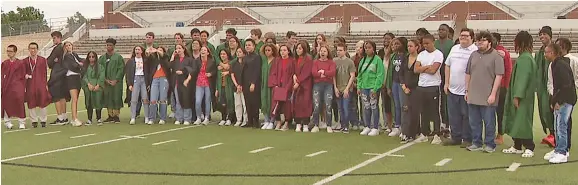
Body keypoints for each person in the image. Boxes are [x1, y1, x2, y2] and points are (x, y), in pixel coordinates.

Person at [465, 31, 504, 153]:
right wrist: (467, 90)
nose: (480, 42)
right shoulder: (473, 55)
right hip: (473, 94)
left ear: (489, 42)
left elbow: (499, 76)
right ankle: (476, 142)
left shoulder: (496, 56)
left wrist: (493, 94)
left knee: (489, 122)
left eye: (483, 40)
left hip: (488, 96)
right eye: (478, 40)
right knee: (474, 122)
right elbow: (468, 73)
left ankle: (490, 144)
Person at [502, 31, 536, 158]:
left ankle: (529, 146)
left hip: (523, 96)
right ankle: (517, 145)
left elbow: (523, 79)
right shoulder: (524, 57)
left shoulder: (525, 59)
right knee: (517, 120)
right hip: (521, 95)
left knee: (523, 121)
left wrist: (517, 96)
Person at [442, 28, 477, 147]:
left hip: (467, 90)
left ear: (472, 38)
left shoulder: (475, 51)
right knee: (453, 115)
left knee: (467, 115)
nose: (463, 38)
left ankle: (467, 139)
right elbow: (447, 66)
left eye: (466, 36)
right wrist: (446, 83)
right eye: (461, 35)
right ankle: (455, 137)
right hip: (452, 89)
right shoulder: (454, 48)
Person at [544, 43, 576, 164]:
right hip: (562, 99)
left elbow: (565, 85)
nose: (545, 55)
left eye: (546, 52)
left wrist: (559, 101)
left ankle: (562, 152)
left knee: (561, 126)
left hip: (566, 100)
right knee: (558, 126)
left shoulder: (560, 65)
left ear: (552, 53)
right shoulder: (555, 64)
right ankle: (559, 149)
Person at [414, 34, 444, 144]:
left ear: (433, 42)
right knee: (423, 111)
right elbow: (416, 69)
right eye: (424, 43)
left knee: (434, 111)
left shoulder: (438, 54)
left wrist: (423, 68)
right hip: (421, 85)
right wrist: (427, 67)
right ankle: (424, 133)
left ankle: (437, 134)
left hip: (433, 86)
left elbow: (433, 70)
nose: (425, 45)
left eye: (427, 43)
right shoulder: (421, 54)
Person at [358, 41, 385, 136]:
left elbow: (380, 75)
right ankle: (367, 126)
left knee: (374, 106)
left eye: (369, 47)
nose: (367, 49)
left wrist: (375, 88)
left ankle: (375, 127)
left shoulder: (377, 60)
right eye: (365, 48)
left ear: (373, 48)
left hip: (373, 87)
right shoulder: (363, 60)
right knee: (366, 107)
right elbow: (360, 75)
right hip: (364, 87)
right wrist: (359, 87)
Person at [535, 26, 555, 147]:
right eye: (540, 35)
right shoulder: (539, 53)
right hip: (541, 87)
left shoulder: (555, 50)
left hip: (552, 86)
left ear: (550, 35)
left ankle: (554, 135)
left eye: (544, 34)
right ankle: (550, 134)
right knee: (543, 111)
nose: (542, 36)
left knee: (551, 110)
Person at [23, 42, 52, 128]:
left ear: (37, 49)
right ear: (28, 49)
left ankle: (43, 120)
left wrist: (45, 84)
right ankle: (34, 121)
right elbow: (22, 72)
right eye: (31, 48)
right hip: (30, 85)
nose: (33, 50)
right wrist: (25, 76)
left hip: (41, 84)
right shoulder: (25, 61)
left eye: (34, 48)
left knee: (42, 102)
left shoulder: (43, 60)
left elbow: (44, 72)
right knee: (31, 103)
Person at [385, 37, 408, 137]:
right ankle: (397, 126)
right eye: (393, 44)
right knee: (396, 106)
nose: (394, 46)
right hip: (394, 83)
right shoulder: (393, 56)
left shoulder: (406, 56)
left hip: (402, 83)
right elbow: (390, 72)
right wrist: (388, 86)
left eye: (397, 44)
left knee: (404, 106)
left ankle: (405, 126)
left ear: (403, 44)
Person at [492, 32, 513, 145]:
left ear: (498, 41)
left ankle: (500, 134)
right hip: (489, 87)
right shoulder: (488, 52)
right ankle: (493, 134)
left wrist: (505, 85)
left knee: (500, 112)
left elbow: (508, 70)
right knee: (489, 112)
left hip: (501, 87)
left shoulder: (502, 52)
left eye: (493, 39)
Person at [269, 44, 295, 131]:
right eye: (281, 50)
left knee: (287, 105)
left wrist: (288, 87)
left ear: (288, 51)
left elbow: (292, 75)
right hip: (278, 86)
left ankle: (287, 122)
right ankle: (278, 121)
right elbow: (273, 73)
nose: (282, 52)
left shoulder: (292, 61)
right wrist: (275, 84)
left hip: (287, 87)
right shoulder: (277, 61)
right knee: (276, 105)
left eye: (284, 50)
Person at [399, 39, 421, 143]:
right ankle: (405, 132)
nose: (409, 48)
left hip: (416, 88)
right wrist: (403, 86)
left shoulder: (420, 58)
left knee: (415, 111)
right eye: (408, 46)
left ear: (417, 47)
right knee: (405, 110)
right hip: (406, 87)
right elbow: (401, 73)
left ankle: (413, 133)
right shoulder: (405, 58)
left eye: (411, 46)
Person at [311, 46, 336, 133]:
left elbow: (332, 72)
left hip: (328, 86)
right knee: (316, 105)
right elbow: (314, 73)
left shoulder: (331, 62)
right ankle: (316, 125)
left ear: (327, 52)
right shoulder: (315, 62)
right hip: (317, 85)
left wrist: (323, 72)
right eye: (321, 51)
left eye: (324, 51)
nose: (322, 53)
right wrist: (323, 74)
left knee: (328, 105)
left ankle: (329, 125)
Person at [47, 31, 70, 125]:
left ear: (59, 38)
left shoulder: (58, 48)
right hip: (64, 75)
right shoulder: (64, 48)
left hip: (57, 75)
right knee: (63, 96)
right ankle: (64, 117)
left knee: (56, 96)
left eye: (54, 38)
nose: (53, 40)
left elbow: (49, 61)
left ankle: (60, 118)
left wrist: (54, 61)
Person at [100, 38, 125, 123]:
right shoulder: (102, 58)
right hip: (106, 82)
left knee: (116, 97)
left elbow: (121, 69)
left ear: (114, 46)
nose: (108, 47)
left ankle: (116, 116)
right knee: (107, 97)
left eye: (110, 45)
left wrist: (116, 79)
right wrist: (105, 79)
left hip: (116, 83)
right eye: (107, 45)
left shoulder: (118, 57)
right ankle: (110, 115)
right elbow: (100, 70)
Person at [435, 24, 454, 133]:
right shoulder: (435, 43)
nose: (441, 31)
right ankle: (442, 122)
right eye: (440, 29)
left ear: (448, 32)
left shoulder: (451, 44)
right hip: (436, 74)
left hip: (448, 74)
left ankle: (449, 122)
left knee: (447, 99)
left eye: (443, 30)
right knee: (439, 100)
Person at [2, 45, 26, 129]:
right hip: (7, 87)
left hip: (17, 86)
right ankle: (7, 122)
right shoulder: (5, 63)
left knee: (19, 102)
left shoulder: (20, 63)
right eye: (8, 51)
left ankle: (21, 122)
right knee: (6, 103)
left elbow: (23, 75)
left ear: (15, 52)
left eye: (11, 51)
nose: (9, 53)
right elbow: (2, 75)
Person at [170, 44, 196, 125]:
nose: (178, 50)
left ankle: (187, 118)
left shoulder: (189, 59)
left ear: (184, 49)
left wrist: (183, 71)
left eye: (180, 48)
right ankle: (179, 118)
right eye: (177, 48)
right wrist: (173, 56)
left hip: (185, 82)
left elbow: (192, 69)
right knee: (178, 101)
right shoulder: (176, 60)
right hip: (177, 82)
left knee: (186, 99)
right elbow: (169, 66)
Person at [333, 43, 356, 133]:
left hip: (347, 88)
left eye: (340, 50)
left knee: (346, 107)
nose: (338, 52)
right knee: (340, 108)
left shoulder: (349, 62)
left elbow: (352, 76)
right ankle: (342, 125)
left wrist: (347, 88)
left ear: (345, 51)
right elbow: (333, 76)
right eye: (337, 50)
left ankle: (346, 125)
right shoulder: (334, 61)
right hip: (338, 88)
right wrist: (335, 88)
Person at [292, 41, 314, 132]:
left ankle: (305, 123)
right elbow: (293, 71)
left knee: (306, 104)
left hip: (305, 85)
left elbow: (307, 72)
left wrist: (298, 82)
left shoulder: (308, 59)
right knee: (297, 104)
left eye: (300, 48)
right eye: (297, 48)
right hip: (296, 84)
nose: (298, 50)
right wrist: (294, 77)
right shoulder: (295, 59)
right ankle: (298, 123)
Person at [126, 46, 151, 125]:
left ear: (141, 51)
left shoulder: (146, 61)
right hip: (135, 79)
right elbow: (128, 73)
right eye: (136, 49)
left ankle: (147, 117)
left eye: (139, 49)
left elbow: (149, 72)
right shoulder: (131, 61)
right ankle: (133, 117)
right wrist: (129, 84)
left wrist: (148, 83)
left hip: (143, 79)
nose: (137, 51)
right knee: (134, 99)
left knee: (145, 99)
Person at [61, 42, 84, 126]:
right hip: (71, 78)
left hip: (77, 77)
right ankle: (74, 119)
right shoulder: (67, 56)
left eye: (69, 45)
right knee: (74, 99)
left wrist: (82, 64)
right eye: (66, 46)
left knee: (76, 99)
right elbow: (74, 65)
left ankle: (74, 117)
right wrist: (80, 65)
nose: (68, 47)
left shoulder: (74, 54)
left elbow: (82, 61)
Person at [147, 47, 171, 125]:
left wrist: (160, 53)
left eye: (161, 50)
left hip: (164, 79)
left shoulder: (165, 58)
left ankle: (162, 118)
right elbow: (147, 61)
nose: (158, 51)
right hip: (155, 79)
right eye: (158, 50)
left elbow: (168, 66)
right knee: (153, 99)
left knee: (162, 99)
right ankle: (151, 118)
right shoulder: (154, 59)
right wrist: (149, 52)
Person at [242, 39, 262, 128]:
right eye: (246, 45)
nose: (247, 47)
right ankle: (249, 121)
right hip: (245, 83)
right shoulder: (245, 57)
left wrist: (253, 83)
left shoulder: (257, 57)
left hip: (253, 83)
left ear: (254, 46)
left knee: (254, 102)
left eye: (249, 45)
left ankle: (256, 121)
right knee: (247, 102)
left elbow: (257, 71)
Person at [194, 46, 216, 125]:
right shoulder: (197, 61)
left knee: (207, 101)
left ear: (208, 53)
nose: (202, 51)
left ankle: (207, 117)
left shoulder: (212, 61)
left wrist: (211, 74)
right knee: (198, 101)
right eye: (201, 50)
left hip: (208, 83)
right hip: (199, 83)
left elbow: (215, 71)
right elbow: (194, 71)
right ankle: (198, 117)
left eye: (204, 50)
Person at [82, 51, 105, 126]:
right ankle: (89, 119)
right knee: (89, 103)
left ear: (95, 57)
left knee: (98, 102)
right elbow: (84, 76)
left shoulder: (100, 66)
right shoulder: (85, 67)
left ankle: (99, 118)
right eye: (90, 57)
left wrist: (98, 85)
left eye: (93, 57)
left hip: (97, 87)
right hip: (88, 87)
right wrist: (88, 84)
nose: (91, 58)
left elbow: (101, 76)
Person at [378, 33, 395, 132]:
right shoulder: (380, 52)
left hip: (392, 82)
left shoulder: (394, 52)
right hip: (382, 82)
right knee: (385, 105)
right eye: (384, 39)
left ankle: (396, 125)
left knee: (394, 104)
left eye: (388, 39)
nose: (386, 40)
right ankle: (389, 125)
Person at [260, 44, 277, 130]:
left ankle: (272, 121)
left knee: (272, 103)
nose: (267, 52)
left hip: (272, 85)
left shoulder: (276, 61)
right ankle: (266, 120)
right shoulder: (263, 61)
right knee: (264, 102)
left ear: (273, 51)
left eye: (269, 50)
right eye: (266, 50)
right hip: (264, 85)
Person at [216, 49, 235, 126]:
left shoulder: (231, 64)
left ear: (227, 55)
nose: (222, 55)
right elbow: (217, 78)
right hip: (221, 87)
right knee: (222, 103)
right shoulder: (219, 66)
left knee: (230, 102)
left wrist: (228, 72)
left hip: (229, 86)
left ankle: (230, 118)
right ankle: (223, 118)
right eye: (221, 54)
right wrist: (217, 89)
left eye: (224, 54)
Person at [231, 47, 249, 127]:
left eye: (240, 52)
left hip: (244, 86)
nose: (238, 53)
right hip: (236, 86)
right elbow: (232, 75)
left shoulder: (246, 63)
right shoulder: (234, 63)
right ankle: (239, 119)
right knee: (237, 104)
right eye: (237, 52)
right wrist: (237, 85)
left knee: (245, 104)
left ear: (244, 53)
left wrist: (241, 85)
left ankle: (245, 120)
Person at [350, 40, 364, 130]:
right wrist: (354, 81)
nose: (358, 49)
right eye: (356, 47)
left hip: (363, 83)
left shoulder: (366, 59)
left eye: (360, 47)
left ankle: (364, 121)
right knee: (353, 104)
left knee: (363, 104)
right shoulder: (353, 59)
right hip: (354, 83)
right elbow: (351, 71)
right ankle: (354, 122)